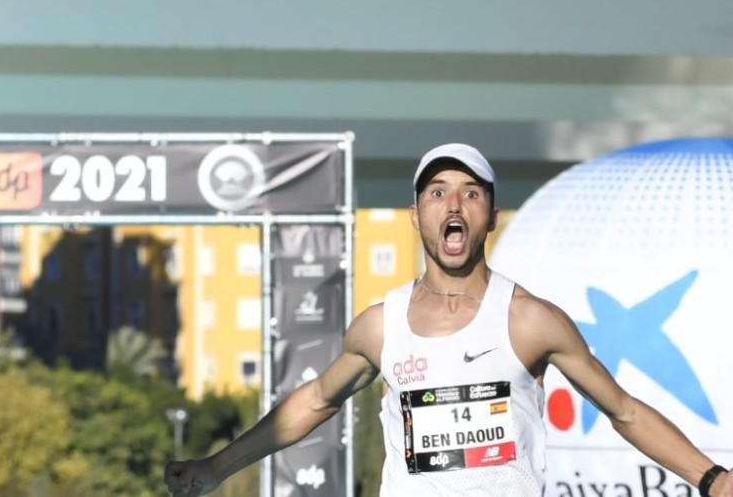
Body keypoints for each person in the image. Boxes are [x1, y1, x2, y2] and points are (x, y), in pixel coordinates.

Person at [164, 143, 731, 497]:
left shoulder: (532, 320)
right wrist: (216, 467)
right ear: (416, 216)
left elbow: (625, 410)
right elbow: (313, 403)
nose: (453, 206)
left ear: (491, 217)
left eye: (470, 193)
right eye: (437, 193)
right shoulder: (379, 325)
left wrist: (711, 479)